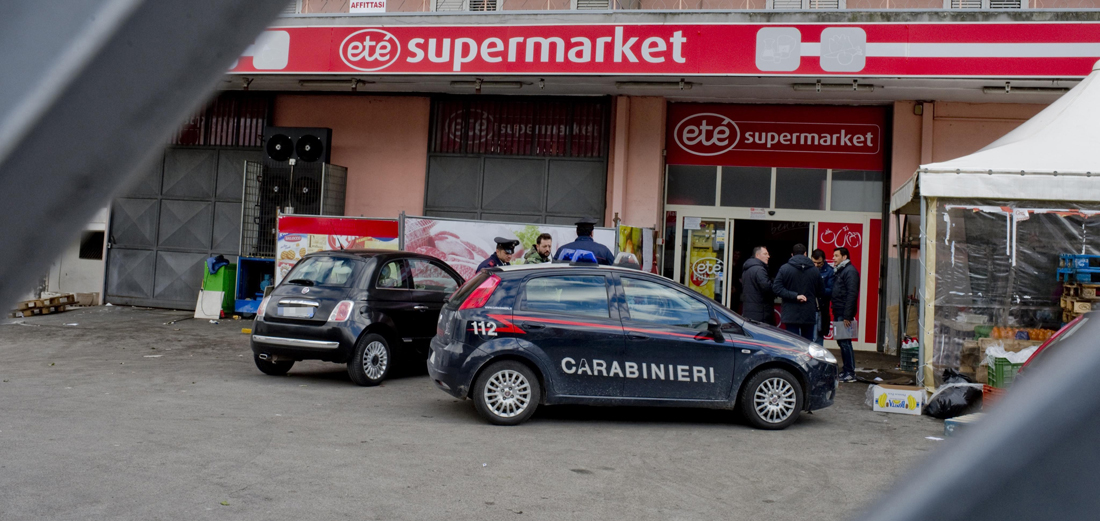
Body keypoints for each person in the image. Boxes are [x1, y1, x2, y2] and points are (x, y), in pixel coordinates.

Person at [772, 244, 825, 342]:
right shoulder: (815, 270)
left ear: (792, 254)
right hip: (808, 313)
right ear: (805, 254)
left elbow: (776, 288)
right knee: (807, 344)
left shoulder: (785, 268)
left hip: (790, 313)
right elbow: (821, 291)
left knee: (793, 344)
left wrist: (795, 296)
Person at [832, 247, 861, 382]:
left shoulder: (850, 271)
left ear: (844, 257)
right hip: (839, 311)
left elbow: (852, 294)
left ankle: (850, 372)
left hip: (843, 313)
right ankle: (846, 371)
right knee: (842, 342)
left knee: (845, 343)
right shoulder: (841, 271)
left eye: (836, 256)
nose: (834, 258)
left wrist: (847, 316)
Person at [740, 246, 774, 324]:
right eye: (765, 254)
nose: (768, 256)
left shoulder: (747, 269)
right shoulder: (759, 270)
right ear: (757, 255)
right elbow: (767, 288)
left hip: (749, 311)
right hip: (760, 313)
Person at [811, 248, 836, 345]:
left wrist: (818, 290)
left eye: (819, 263)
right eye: (814, 262)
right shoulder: (808, 269)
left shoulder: (829, 271)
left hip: (821, 308)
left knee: (818, 337)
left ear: (824, 260)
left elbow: (831, 290)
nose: (816, 265)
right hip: (808, 307)